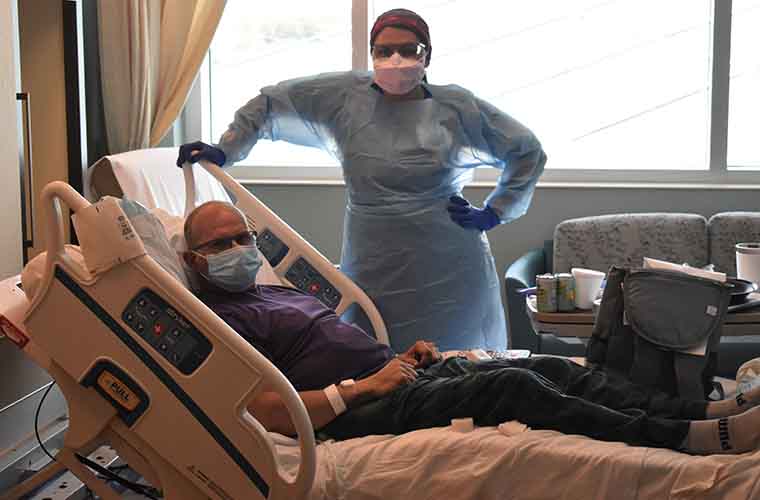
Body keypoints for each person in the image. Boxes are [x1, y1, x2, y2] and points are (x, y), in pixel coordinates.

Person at [183, 200, 760, 455]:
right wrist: (361, 388)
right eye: (221, 244)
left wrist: (401, 358)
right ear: (191, 260)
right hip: (355, 413)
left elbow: (330, 348)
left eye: (244, 238)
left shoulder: (269, 291)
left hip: (399, 375)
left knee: (546, 364)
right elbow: (260, 409)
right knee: (513, 388)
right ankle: (682, 441)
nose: (239, 249)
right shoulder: (217, 325)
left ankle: (701, 413)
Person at [176, 8, 547, 353]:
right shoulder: (343, 98)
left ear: (427, 55)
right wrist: (227, 149)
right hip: (374, 257)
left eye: (408, 50)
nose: (396, 61)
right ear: (372, 55)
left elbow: (526, 149)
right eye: (384, 52)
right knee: (377, 347)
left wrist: (496, 211)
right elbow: (271, 103)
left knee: (460, 358)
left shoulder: (456, 107)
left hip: (449, 261)